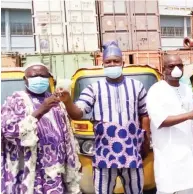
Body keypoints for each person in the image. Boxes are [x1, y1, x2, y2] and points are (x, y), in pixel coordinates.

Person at [59, 41, 150, 194]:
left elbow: (144, 114)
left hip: (132, 153)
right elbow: (77, 113)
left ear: (123, 63)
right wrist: (68, 101)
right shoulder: (93, 89)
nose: (112, 64)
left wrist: (145, 140)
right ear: (103, 64)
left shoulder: (137, 86)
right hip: (104, 155)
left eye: (116, 61)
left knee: (136, 190)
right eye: (108, 62)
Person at [1, 63, 81, 194]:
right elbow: (8, 131)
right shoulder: (15, 101)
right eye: (34, 75)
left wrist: (71, 162)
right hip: (30, 174)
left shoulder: (55, 101)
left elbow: (66, 135)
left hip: (55, 173)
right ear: (25, 78)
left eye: (43, 75)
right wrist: (41, 110)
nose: (39, 78)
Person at [146, 54, 193, 194]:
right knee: (167, 188)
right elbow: (161, 121)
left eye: (179, 65)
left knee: (189, 188)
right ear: (163, 69)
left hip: (187, 151)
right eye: (171, 66)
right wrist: (189, 115)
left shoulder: (186, 89)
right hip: (167, 152)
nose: (176, 69)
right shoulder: (156, 91)